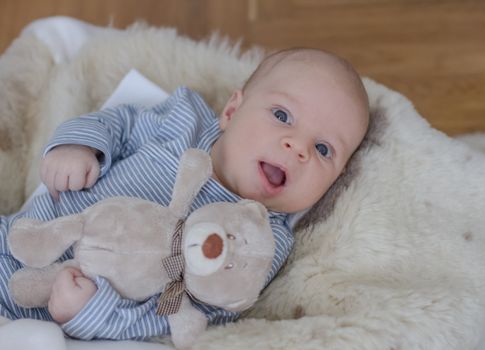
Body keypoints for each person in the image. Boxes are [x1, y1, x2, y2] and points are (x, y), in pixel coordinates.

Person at [0, 47, 370, 340]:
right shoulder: (184, 120)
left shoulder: (263, 242)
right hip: (17, 239)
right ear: (231, 110)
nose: (298, 146)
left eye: (323, 150)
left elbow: (185, 313)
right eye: (282, 115)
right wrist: (79, 147)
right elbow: (120, 124)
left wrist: (96, 313)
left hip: (53, 320)